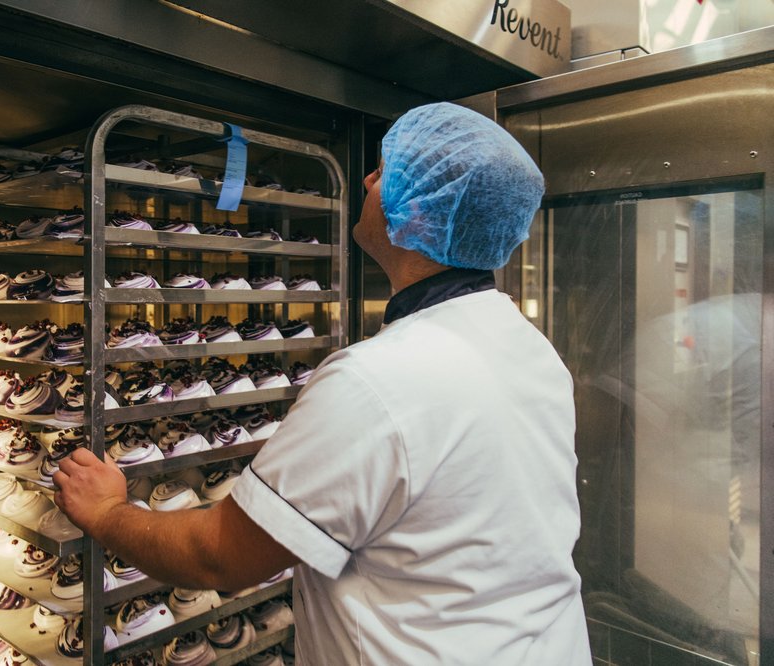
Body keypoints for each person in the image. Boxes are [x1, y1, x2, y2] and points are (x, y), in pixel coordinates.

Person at [53, 102, 591, 665]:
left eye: (385, 172)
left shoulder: (376, 379)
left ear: (419, 213)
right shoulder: (529, 348)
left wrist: (109, 512)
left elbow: (221, 559)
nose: (366, 179)